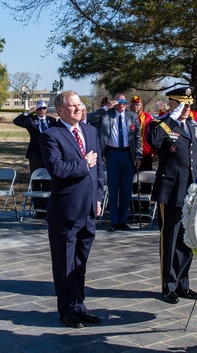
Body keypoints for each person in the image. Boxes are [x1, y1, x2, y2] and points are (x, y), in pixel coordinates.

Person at [40, 90, 105, 328]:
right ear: (59, 110)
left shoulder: (90, 131)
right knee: (64, 263)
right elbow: (57, 170)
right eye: (73, 105)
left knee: (80, 263)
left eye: (80, 104)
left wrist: (98, 197)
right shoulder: (50, 135)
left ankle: (80, 306)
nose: (79, 108)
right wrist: (83, 163)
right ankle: (66, 309)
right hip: (65, 212)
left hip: (88, 210)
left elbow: (99, 170)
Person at [149, 87, 197, 303]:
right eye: (181, 104)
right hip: (170, 191)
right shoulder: (161, 125)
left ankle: (183, 284)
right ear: (171, 104)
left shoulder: (193, 126)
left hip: (190, 191)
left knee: (186, 240)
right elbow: (153, 142)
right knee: (170, 240)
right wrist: (170, 119)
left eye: (189, 105)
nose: (186, 109)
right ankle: (169, 286)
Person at [88, 93, 143, 231]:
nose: (122, 103)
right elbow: (90, 119)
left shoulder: (132, 116)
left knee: (126, 189)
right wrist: (106, 107)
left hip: (127, 154)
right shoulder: (107, 114)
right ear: (114, 102)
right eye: (119, 101)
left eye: (124, 101)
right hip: (112, 153)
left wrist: (138, 156)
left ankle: (122, 220)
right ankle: (113, 221)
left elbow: (137, 138)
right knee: (113, 189)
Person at [13, 100, 59, 173]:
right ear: (36, 109)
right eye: (39, 108)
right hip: (35, 154)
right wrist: (29, 112)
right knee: (35, 178)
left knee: (48, 178)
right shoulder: (31, 119)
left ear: (46, 109)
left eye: (44, 108)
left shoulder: (52, 120)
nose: (42, 110)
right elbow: (16, 121)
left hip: (49, 153)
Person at [129, 96, 156, 171]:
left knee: (146, 180)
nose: (135, 107)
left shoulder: (149, 118)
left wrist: (156, 153)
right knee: (131, 180)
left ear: (141, 105)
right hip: (130, 155)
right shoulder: (126, 118)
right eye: (133, 105)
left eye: (137, 105)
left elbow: (155, 136)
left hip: (146, 155)